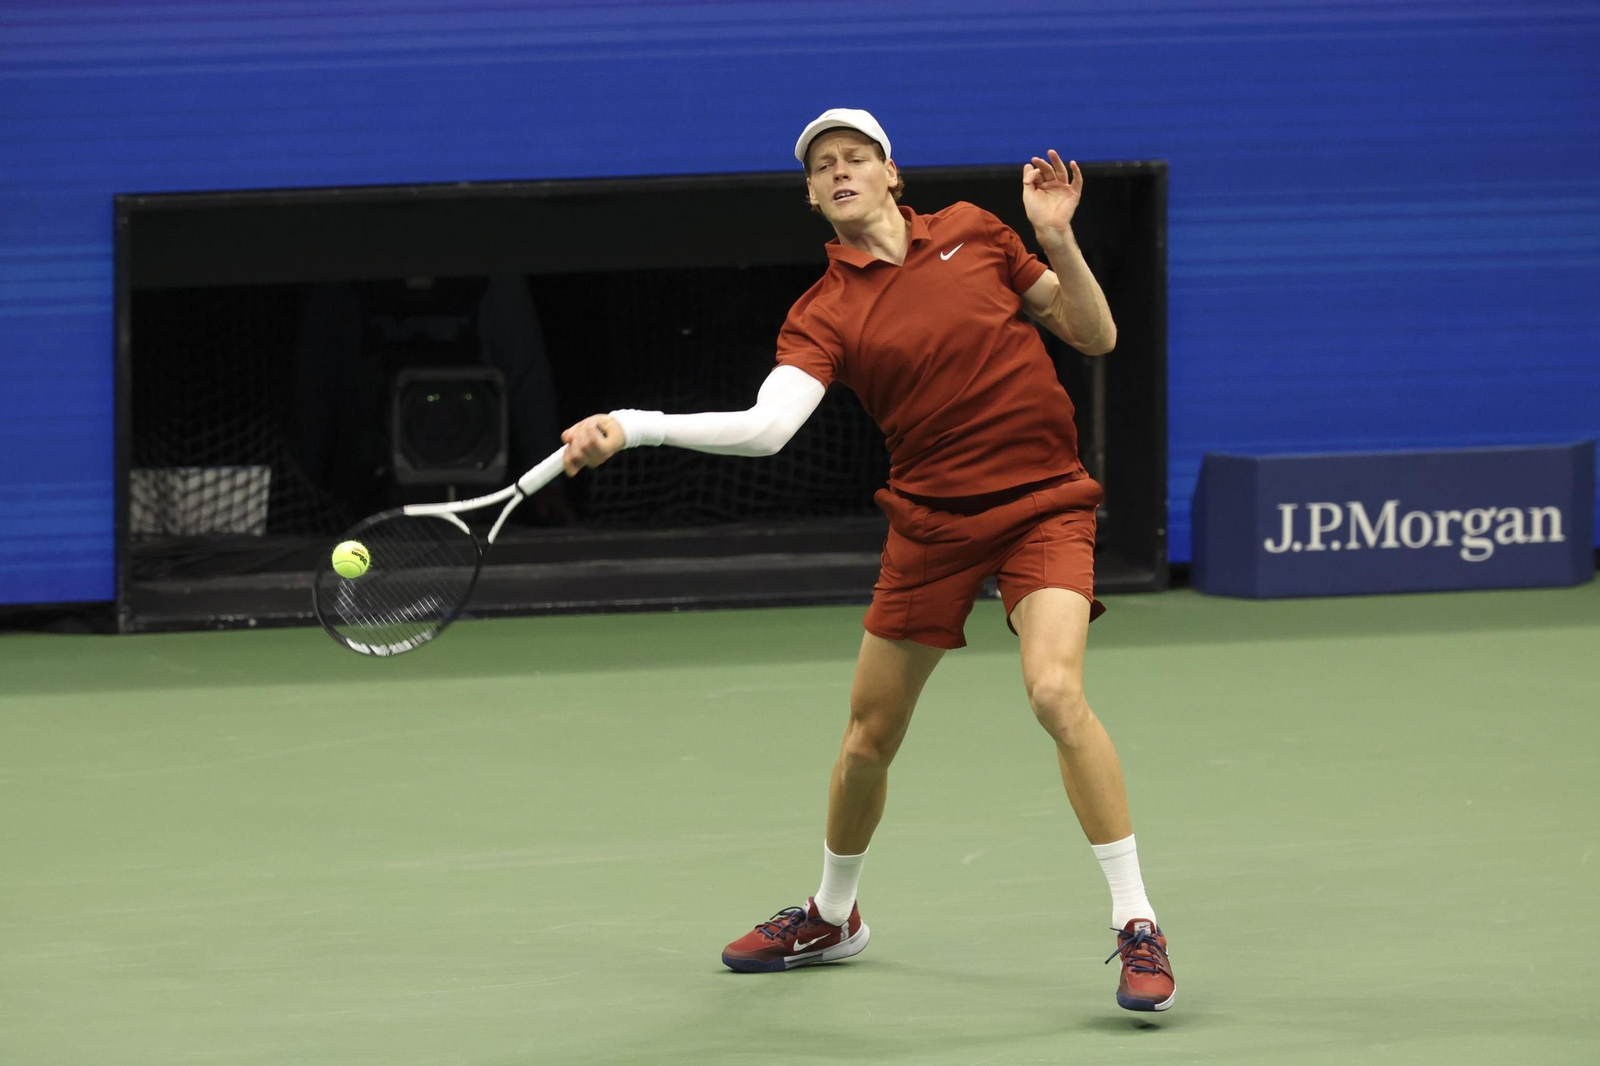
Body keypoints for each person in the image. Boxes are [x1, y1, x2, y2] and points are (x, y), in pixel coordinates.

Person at [558, 108, 1174, 1013]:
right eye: (823, 166)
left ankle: (1137, 922)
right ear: (812, 197)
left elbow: (1095, 335)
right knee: (867, 741)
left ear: (893, 173)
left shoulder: (978, 231)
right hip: (929, 526)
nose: (840, 170)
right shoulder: (825, 312)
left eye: (856, 157)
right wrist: (637, 426)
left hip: (1041, 504)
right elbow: (768, 430)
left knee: (1054, 691)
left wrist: (1057, 237)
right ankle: (834, 915)